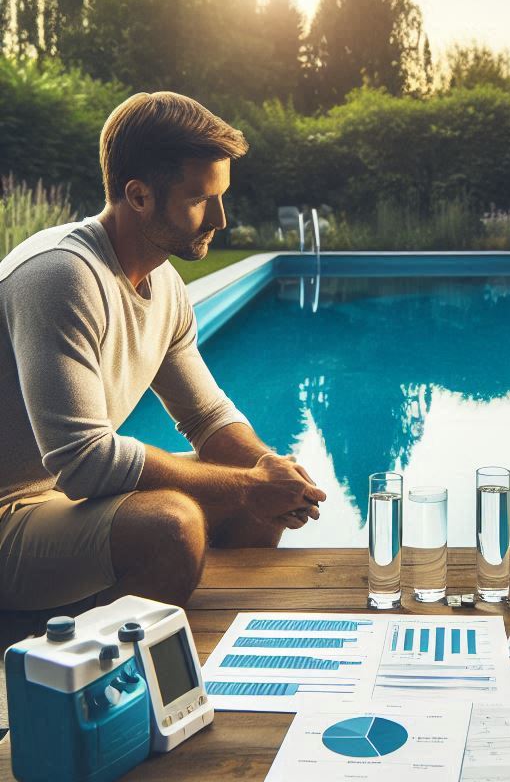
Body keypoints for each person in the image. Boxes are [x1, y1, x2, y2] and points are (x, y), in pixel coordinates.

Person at [0, 91, 327, 613]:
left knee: (257, 506)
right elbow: (84, 463)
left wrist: (269, 471)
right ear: (138, 195)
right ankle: (62, 657)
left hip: (61, 505)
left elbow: (206, 416)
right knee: (172, 524)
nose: (220, 218)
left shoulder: (165, 284)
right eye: (201, 199)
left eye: (221, 197)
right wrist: (245, 485)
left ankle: (216, 642)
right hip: (11, 512)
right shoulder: (61, 275)